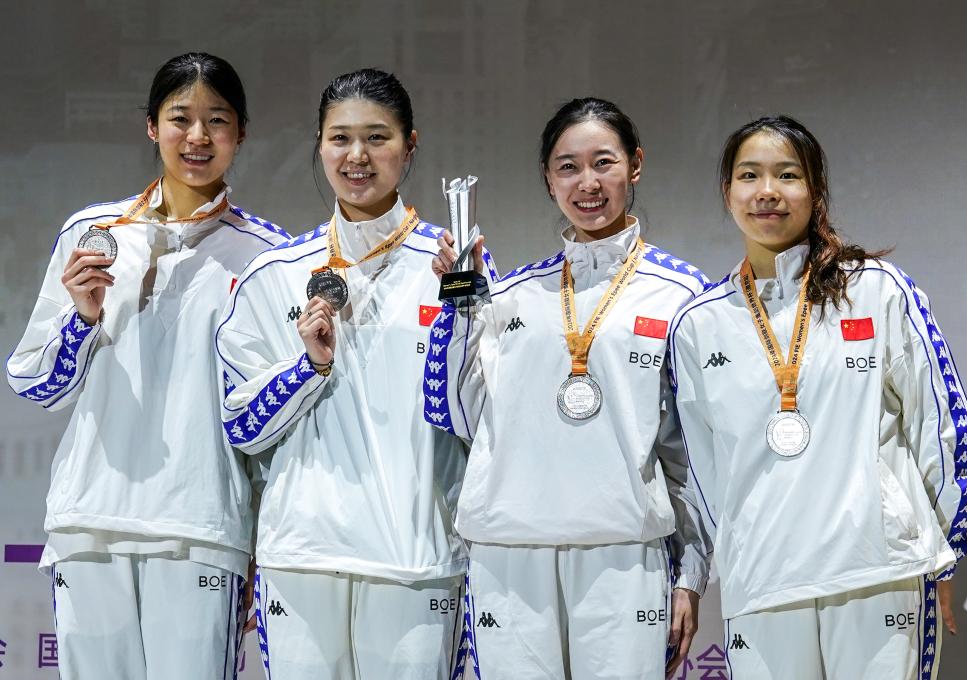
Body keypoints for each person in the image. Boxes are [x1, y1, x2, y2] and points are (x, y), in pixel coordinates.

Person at [5, 52, 288, 679]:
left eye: (217, 120)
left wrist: (262, 541)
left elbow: (273, 420)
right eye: (180, 118)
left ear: (241, 132)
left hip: (203, 527)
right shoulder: (91, 234)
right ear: (151, 126)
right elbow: (37, 384)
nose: (197, 136)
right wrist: (82, 320)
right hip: (90, 520)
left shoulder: (269, 256)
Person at [670, 115, 967, 679]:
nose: (767, 191)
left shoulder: (877, 290)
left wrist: (945, 554)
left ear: (816, 191)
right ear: (727, 191)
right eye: (749, 175)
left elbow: (941, 427)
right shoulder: (699, 324)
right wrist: (709, 568)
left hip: (878, 574)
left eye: (788, 175)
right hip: (762, 583)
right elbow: (701, 473)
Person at [215, 68, 492, 680]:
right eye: (340, 138)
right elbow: (242, 426)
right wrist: (309, 367)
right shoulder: (275, 274)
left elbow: (479, 417)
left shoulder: (453, 267)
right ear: (319, 145)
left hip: (416, 559)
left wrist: (461, 308)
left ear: (409, 145)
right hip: (301, 558)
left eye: (377, 137)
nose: (357, 156)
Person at [426, 97, 711, 680]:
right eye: (568, 167)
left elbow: (693, 453)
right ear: (548, 179)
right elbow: (459, 413)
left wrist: (690, 574)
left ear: (635, 164)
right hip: (509, 557)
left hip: (623, 555)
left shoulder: (682, 295)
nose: (588, 183)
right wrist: (460, 306)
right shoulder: (510, 296)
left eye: (603, 162)